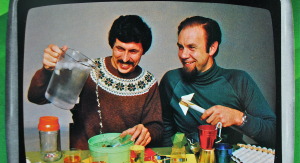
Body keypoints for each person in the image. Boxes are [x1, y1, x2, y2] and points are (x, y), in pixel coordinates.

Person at [28, 15, 163, 149]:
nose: (125, 58)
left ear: (143, 51)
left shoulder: (148, 82)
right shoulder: (88, 70)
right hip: (85, 155)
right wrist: (47, 70)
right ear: (112, 45)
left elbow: (156, 127)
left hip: (127, 157)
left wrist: (147, 131)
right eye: (120, 49)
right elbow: (37, 97)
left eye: (133, 51)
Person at [159, 16, 276, 148]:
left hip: (229, 160)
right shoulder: (171, 80)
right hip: (188, 162)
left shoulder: (238, 80)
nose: (183, 55)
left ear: (212, 48)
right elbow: (165, 128)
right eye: (181, 47)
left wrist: (238, 118)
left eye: (192, 48)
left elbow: (274, 133)